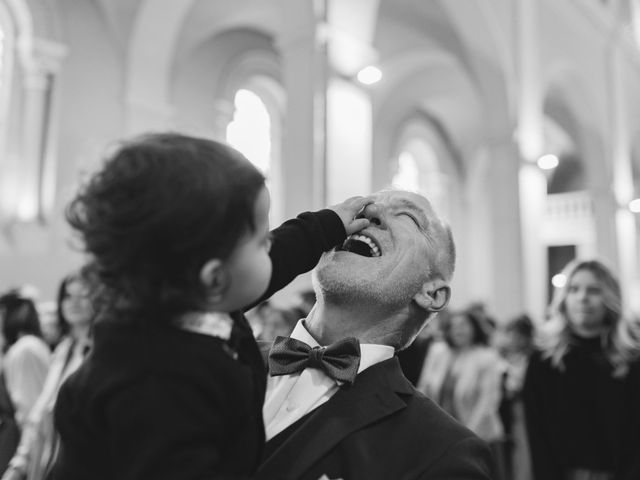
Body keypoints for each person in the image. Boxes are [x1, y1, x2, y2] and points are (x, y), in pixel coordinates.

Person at [48, 132, 370, 480]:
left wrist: (326, 226)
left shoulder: (177, 306)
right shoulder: (161, 388)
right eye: (262, 241)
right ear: (215, 279)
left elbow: (273, 263)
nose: (271, 246)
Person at [258, 189, 495, 480]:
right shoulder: (223, 353)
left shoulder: (442, 452)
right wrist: (308, 234)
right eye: (367, 206)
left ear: (431, 292)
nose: (368, 213)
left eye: (407, 217)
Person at [522, 259, 640, 480]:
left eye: (593, 290)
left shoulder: (631, 359)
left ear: (610, 298)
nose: (582, 298)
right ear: (563, 298)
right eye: (574, 289)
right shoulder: (544, 358)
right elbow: (536, 433)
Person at [2, 272, 94, 480]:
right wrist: (19, 464)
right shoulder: (64, 349)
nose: (74, 303)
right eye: (68, 296)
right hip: (47, 459)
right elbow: (39, 412)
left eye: (83, 296)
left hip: (79, 461)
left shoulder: (97, 352)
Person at [416, 308, 507, 478]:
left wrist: (466, 438)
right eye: (454, 325)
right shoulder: (438, 352)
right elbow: (423, 389)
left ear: (475, 328)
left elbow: (488, 403)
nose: (458, 329)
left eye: (464, 325)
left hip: (480, 436)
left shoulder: (487, 357)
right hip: (443, 437)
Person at [0, 292, 51, 475]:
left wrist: (20, 463)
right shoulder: (29, 346)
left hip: (19, 450)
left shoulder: (25, 349)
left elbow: (30, 412)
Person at [496, 314, 535, 480]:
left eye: (516, 335)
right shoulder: (506, 357)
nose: (511, 339)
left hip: (523, 411)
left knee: (523, 451)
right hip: (508, 412)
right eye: (510, 334)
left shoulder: (531, 360)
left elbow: (516, 387)